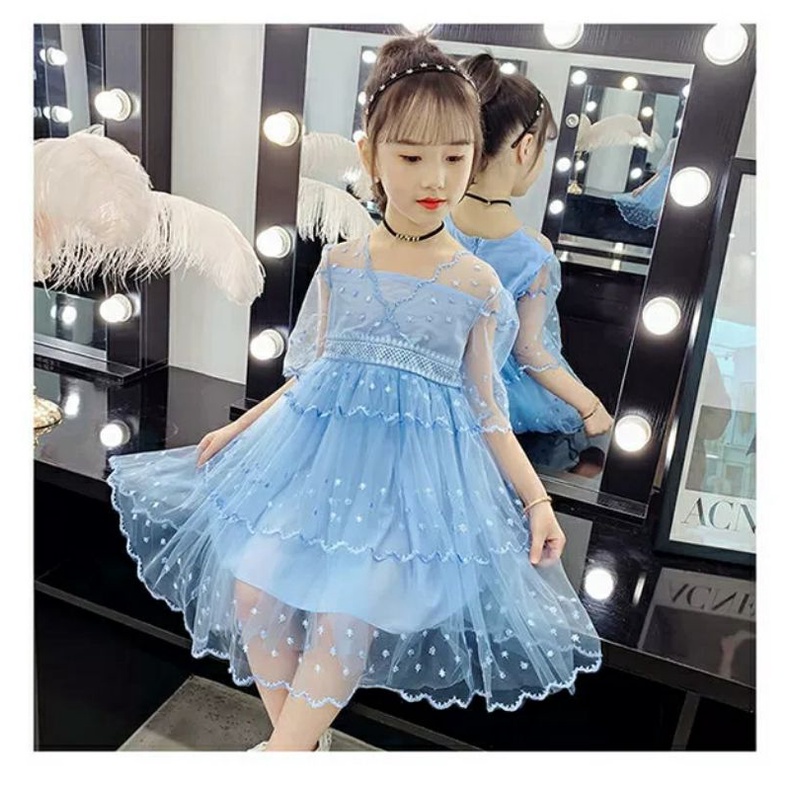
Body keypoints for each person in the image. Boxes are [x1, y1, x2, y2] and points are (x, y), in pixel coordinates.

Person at [106, 35, 602, 753]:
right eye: (412, 157)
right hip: (317, 463)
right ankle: (303, 749)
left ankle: (282, 755)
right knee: (254, 592)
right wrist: (239, 429)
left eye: (456, 157)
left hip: (409, 486)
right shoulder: (340, 261)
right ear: (372, 156)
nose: (436, 177)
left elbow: (487, 408)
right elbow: (311, 372)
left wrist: (536, 501)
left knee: (345, 618)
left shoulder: (478, 283)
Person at [446, 54, 613, 437]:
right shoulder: (533, 253)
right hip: (494, 398)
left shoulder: (432, 225)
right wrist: (590, 405)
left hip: (423, 386)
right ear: (525, 147)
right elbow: (528, 349)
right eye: (543, 150)